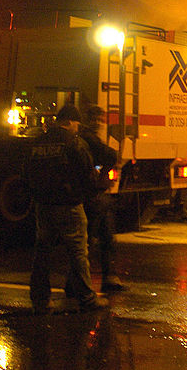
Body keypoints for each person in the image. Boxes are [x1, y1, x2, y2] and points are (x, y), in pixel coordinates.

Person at [24, 103, 108, 313]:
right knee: (78, 251)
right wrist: (92, 191)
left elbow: (25, 174)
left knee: (42, 251)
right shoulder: (74, 143)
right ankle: (87, 299)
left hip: (43, 205)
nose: (78, 128)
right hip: (69, 205)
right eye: (76, 124)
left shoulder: (37, 142)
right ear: (69, 122)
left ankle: (40, 299)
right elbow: (87, 174)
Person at [78, 105, 126, 293]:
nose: (98, 123)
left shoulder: (90, 138)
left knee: (106, 238)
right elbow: (108, 154)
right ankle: (80, 284)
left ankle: (108, 277)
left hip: (99, 195)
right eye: (95, 119)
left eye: (100, 119)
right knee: (88, 240)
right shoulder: (86, 139)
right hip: (90, 196)